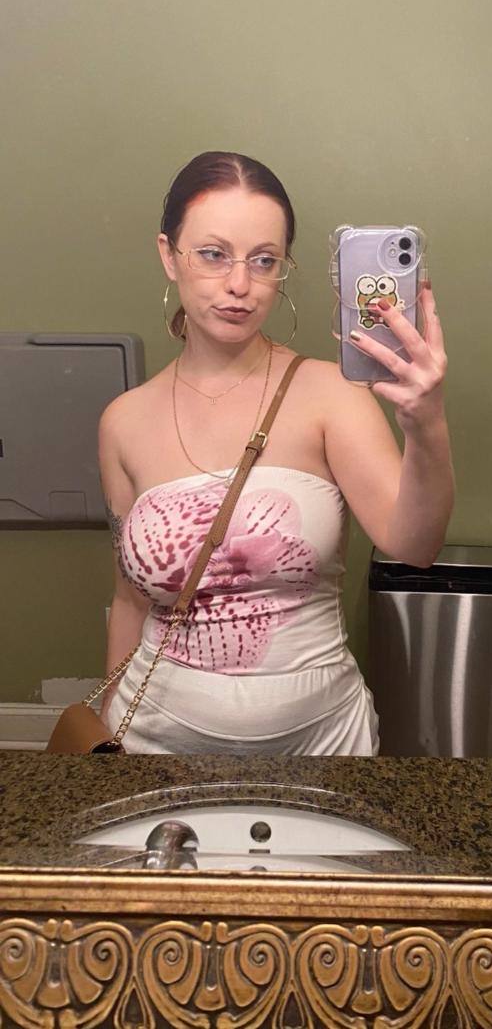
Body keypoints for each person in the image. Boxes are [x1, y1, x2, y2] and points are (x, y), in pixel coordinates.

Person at [99, 151, 454, 755]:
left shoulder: (331, 394)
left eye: (264, 260)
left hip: (321, 747)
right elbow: (130, 599)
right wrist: (109, 728)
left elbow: (415, 545)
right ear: (169, 255)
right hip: (154, 746)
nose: (240, 284)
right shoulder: (123, 421)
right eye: (213, 254)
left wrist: (427, 424)